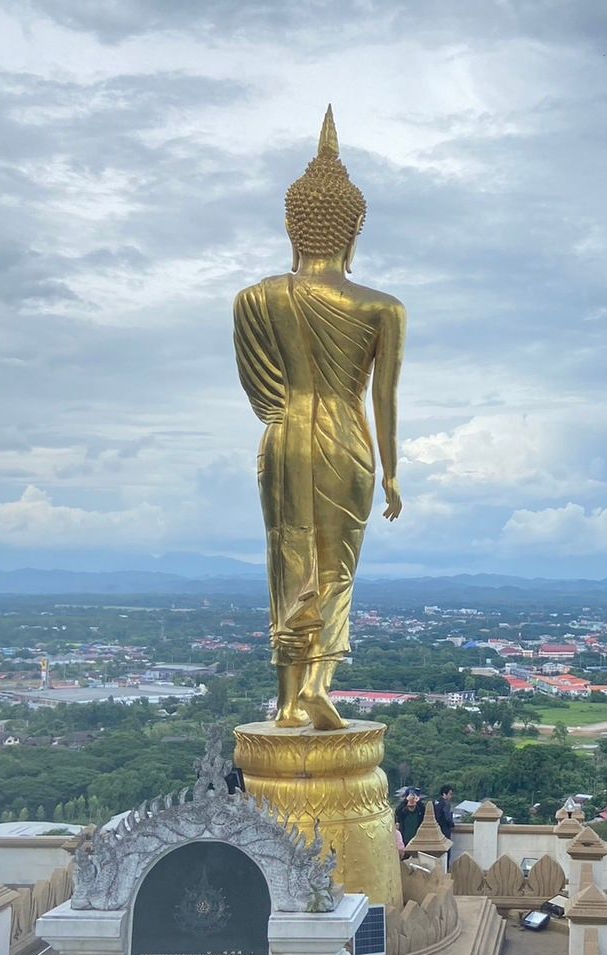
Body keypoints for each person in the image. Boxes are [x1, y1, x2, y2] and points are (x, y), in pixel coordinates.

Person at [234, 105, 406, 731]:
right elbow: (383, 399)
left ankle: (286, 700)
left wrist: (288, 422)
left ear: (293, 225)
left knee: (288, 556)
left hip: (282, 440)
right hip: (347, 442)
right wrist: (391, 472)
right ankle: (316, 685)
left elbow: (262, 390)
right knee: (335, 567)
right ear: (354, 227)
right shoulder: (382, 307)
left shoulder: (255, 299)